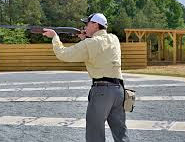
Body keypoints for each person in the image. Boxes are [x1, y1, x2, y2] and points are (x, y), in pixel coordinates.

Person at [43, 13, 129, 142]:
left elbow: (63, 54)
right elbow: (99, 50)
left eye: (87, 24)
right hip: (119, 90)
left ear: (95, 25)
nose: (84, 27)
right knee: (120, 133)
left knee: (95, 134)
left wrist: (55, 37)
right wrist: (85, 39)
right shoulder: (114, 39)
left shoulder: (90, 43)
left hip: (102, 91)